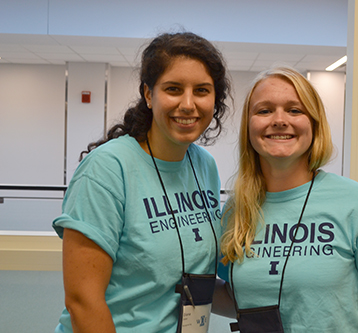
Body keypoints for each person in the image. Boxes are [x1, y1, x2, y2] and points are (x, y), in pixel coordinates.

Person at [52, 31, 231, 332]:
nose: (188, 104)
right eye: (173, 89)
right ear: (149, 94)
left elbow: (191, 280)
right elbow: (83, 301)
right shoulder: (107, 169)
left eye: (201, 90)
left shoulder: (204, 165)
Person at [217, 66, 358, 332]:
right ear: (248, 127)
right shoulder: (236, 209)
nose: (279, 120)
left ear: (314, 123)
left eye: (295, 110)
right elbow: (239, 296)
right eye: (264, 110)